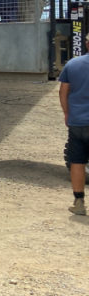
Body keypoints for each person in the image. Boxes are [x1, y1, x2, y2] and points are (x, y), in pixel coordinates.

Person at [59, 49, 89, 215]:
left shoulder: (72, 64)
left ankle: (79, 202)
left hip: (77, 122)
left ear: (87, 44)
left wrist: (67, 113)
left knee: (77, 162)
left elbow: (63, 91)